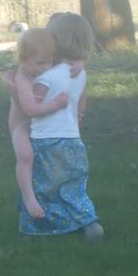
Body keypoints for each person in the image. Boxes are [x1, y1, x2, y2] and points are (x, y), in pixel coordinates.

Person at [19, 12, 103, 241]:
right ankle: (87, 221)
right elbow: (80, 109)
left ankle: (37, 228)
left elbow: (33, 106)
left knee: (44, 185)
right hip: (72, 138)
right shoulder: (81, 73)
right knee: (73, 185)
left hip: (45, 139)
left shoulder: (46, 76)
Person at [4, 27, 71, 219]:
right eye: (39, 62)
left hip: (43, 124)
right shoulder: (23, 77)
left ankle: (57, 194)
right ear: (23, 59)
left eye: (49, 61)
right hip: (22, 126)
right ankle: (29, 197)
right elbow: (30, 110)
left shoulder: (45, 71)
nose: (45, 67)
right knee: (25, 156)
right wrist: (56, 104)